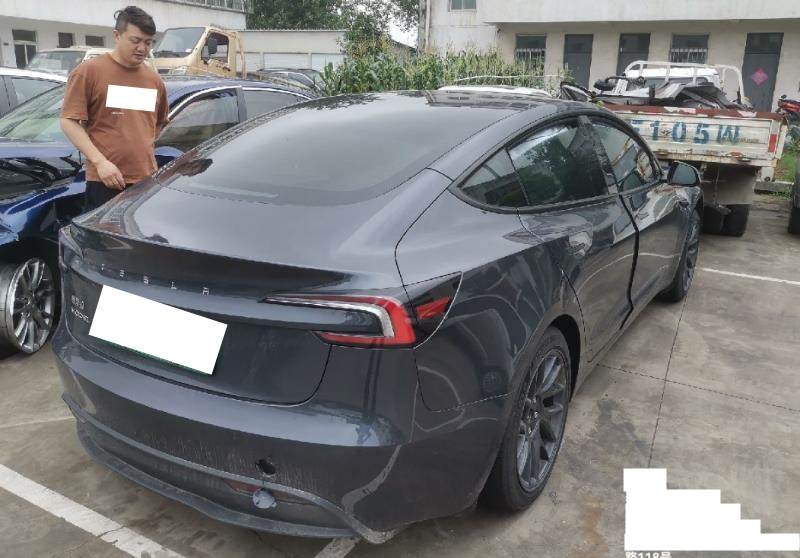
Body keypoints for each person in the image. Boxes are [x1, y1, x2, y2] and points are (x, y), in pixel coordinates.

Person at [60, 6, 169, 211]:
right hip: (105, 180)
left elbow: (158, 124)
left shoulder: (154, 80)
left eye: (148, 42)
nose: (142, 48)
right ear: (117, 36)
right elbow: (69, 121)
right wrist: (100, 162)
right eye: (135, 40)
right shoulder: (89, 72)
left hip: (145, 181)